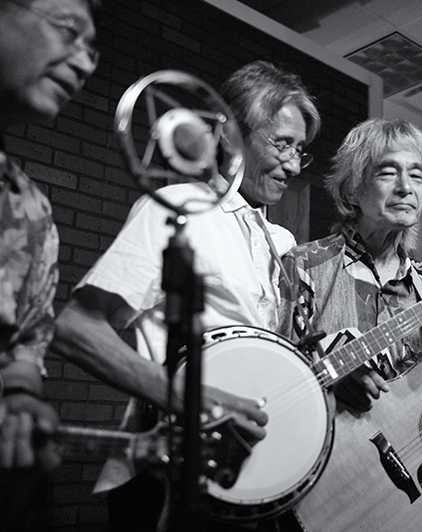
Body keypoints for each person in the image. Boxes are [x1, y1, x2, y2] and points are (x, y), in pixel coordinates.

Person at [50, 60, 320, 531]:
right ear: (230, 136)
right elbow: (76, 328)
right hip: (166, 479)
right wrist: (191, 400)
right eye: (281, 144)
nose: (294, 165)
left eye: (300, 150)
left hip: (246, 485)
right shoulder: (179, 208)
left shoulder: (282, 243)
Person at [277, 117, 422, 413]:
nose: (405, 187)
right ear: (352, 190)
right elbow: (276, 373)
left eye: (416, 176)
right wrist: (327, 379)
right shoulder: (305, 266)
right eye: (388, 173)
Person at [0, 0, 100, 527]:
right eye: (67, 29)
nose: (83, 63)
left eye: (91, 49)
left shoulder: (30, 208)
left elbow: (27, 343)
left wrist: (20, 396)